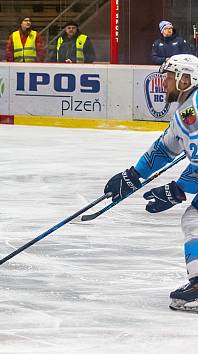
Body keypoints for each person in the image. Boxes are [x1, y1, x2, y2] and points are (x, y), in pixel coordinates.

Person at [103, 54, 198, 313]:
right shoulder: (186, 110)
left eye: (169, 77)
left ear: (185, 79)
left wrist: (177, 190)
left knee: (195, 220)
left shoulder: (194, 109)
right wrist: (134, 174)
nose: (163, 83)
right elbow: (164, 148)